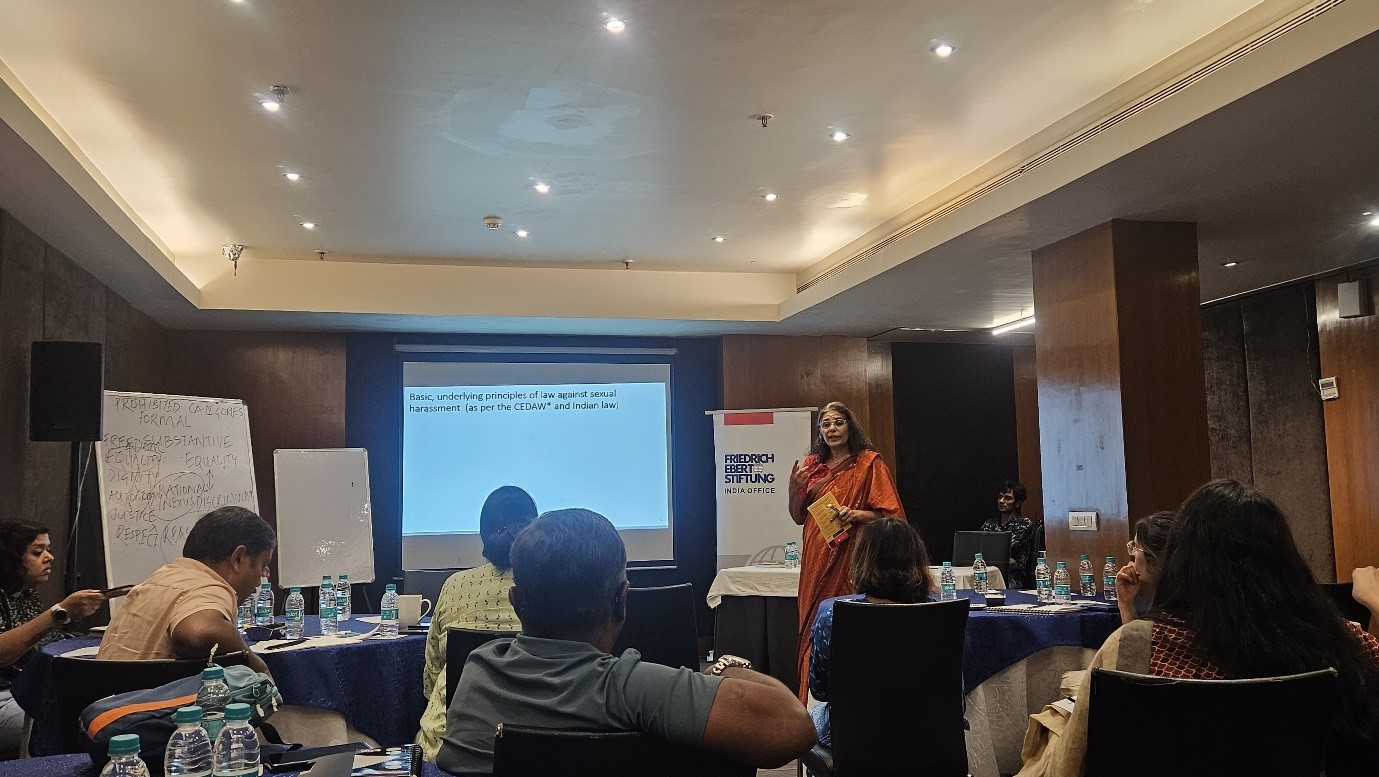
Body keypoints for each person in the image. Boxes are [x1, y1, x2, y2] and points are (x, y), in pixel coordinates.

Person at [1032, 480, 1379, 777]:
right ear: (1287, 559)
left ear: (1181, 561)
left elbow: (1073, 765)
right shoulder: (1344, 642)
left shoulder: (1140, 645)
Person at [435, 508, 815, 774]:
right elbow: (793, 728)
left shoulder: (478, 669)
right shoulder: (630, 689)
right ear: (622, 599)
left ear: (516, 602)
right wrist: (726, 669)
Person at [788, 401, 904, 701]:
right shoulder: (812, 467)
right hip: (816, 556)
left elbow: (891, 516)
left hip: (853, 555)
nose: (832, 429)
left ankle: (853, 696)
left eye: (838, 422)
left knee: (848, 618)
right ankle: (811, 699)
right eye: (825, 424)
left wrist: (855, 514)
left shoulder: (868, 464)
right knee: (814, 620)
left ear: (850, 426)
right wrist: (793, 489)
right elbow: (798, 516)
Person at [416, 485, 538, 761]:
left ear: (484, 533)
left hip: (444, 750)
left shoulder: (454, 586)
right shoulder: (551, 587)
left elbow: (432, 678)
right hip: (530, 751)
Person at [98, 506, 273, 676]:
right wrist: (253, 662)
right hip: (145, 696)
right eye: (262, 565)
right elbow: (198, 632)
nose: (261, 579)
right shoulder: (210, 586)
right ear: (238, 559)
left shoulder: (156, 581)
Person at [808, 518, 934, 747]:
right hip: (928, 735)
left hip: (854, 738)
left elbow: (820, 690)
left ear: (861, 561)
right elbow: (956, 692)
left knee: (810, 715)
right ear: (918, 560)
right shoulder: (939, 614)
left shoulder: (832, 615)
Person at [0, 522, 104, 759]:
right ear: (10, 558)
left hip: (22, 689)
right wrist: (58, 613)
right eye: (38, 552)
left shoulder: (26, 595)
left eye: (48, 549)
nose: (49, 557)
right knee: (67, 719)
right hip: (5, 695)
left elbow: (46, 642)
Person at [1113, 510, 1175, 625]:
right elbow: (1135, 635)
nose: (1133, 554)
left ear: (1153, 556)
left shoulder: (1172, 611)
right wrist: (1126, 603)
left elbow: (1136, 637)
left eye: (1136, 547)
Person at [980, 480, 1035, 588]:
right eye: (1000, 497)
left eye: (1007, 498)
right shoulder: (989, 524)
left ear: (1017, 503)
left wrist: (1000, 558)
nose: (1001, 501)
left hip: (1012, 577)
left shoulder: (1023, 524)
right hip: (988, 574)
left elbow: (1003, 550)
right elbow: (979, 550)